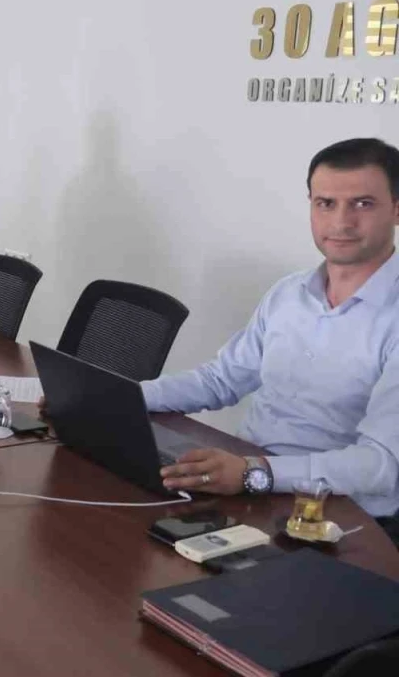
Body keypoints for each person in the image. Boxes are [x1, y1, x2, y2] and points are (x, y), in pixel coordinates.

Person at [148, 138, 399, 534]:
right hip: (250, 484)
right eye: (326, 203)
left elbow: (380, 464)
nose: (341, 222)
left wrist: (257, 472)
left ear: (397, 209)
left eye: (362, 204)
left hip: (339, 516)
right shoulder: (289, 293)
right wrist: (121, 397)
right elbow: (220, 380)